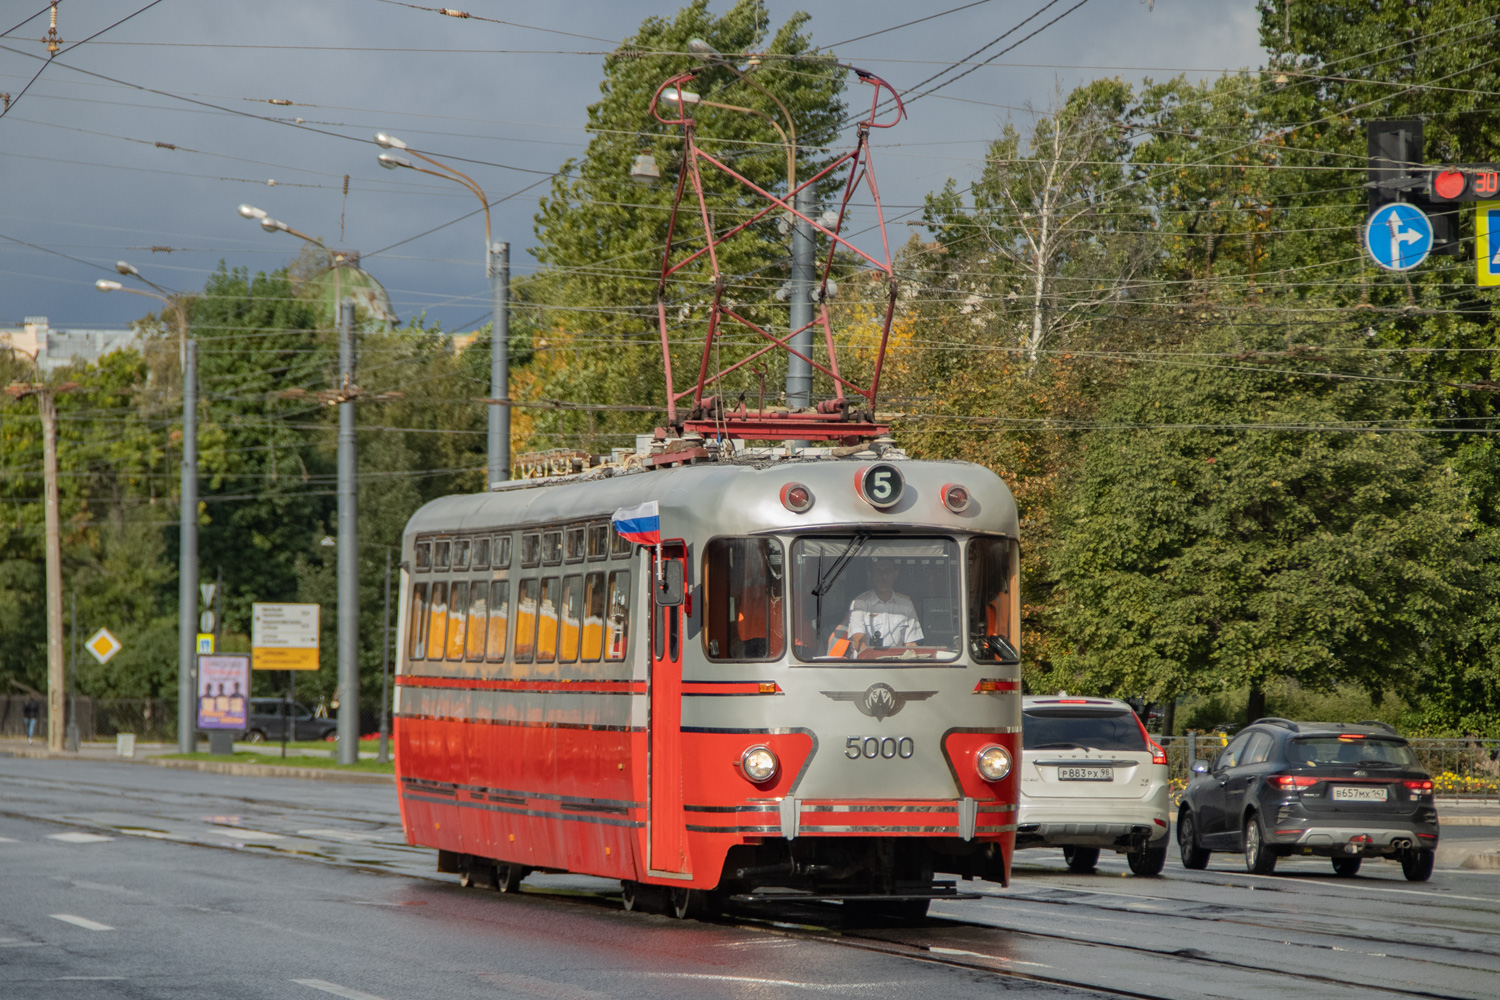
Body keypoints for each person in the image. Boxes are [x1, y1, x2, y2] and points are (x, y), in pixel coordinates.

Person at [845, 558, 924, 654]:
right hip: (867, 664)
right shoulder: (859, 603)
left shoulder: (906, 604)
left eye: (888, 571)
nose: (884, 576)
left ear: (895, 574)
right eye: (879, 571)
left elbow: (910, 643)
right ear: (871, 574)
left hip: (896, 664)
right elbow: (858, 640)